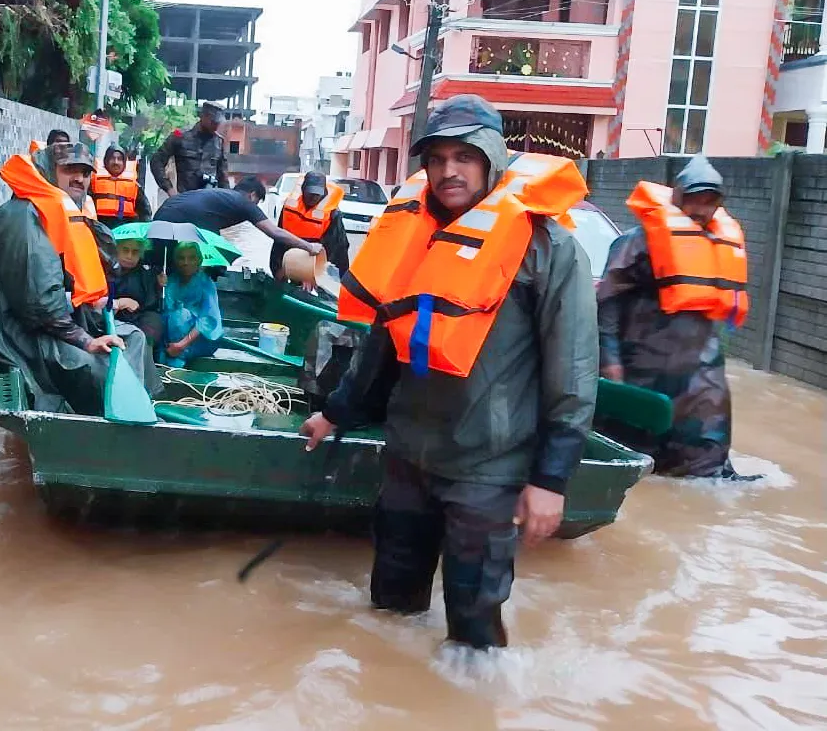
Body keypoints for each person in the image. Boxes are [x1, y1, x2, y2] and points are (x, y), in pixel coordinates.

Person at [299, 94, 598, 650]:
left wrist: (550, 481)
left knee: (474, 633)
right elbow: (383, 347)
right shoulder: (412, 232)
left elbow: (574, 373)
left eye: (464, 156)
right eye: (436, 159)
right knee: (389, 611)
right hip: (409, 455)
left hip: (488, 466)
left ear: (492, 159)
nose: (447, 171)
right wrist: (335, 413)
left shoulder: (548, 249)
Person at [0, 136, 161, 415]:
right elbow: (39, 303)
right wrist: (86, 340)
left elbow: (93, 265)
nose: (80, 179)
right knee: (95, 368)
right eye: (70, 170)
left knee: (134, 338)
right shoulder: (21, 218)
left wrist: (97, 305)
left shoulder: (64, 210)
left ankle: (139, 409)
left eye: (85, 173)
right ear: (48, 171)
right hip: (20, 330)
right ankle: (106, 426)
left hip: (56, 319)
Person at [596, 155, 753, 480]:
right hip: (643, 372)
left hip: (703, 379)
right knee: (631, 463)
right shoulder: (635, 243)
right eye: (694, 199)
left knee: (708, 471)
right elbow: (607, 302)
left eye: (709, 201)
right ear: (678, 197)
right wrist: (610, 360)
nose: (700, 209)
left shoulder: (720, 244)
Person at [154, 176, 324, 260]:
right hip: (183, 221)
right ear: (252, 195)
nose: (255, 207)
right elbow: (274, 232)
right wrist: (308, 246)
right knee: (216, 261)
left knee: (164, 264)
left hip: (161, 217)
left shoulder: (222, 196)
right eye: (257, 202)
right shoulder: (244, 202)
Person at [268, 170, 351, 279]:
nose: (313, 197)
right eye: (310, 193)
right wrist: (278, 268)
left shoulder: (332, 214)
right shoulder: (290, 206)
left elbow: (338, 250)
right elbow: (279, 239)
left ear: (324, 192)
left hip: (315, 263)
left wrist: (313, 275)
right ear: (303, 190)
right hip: (289, 259)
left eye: (317, 194)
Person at [159, 242, 223, 367]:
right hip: (174, 333)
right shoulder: (171, 280)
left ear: (199, 260)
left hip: (201, 339)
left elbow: (208, 320)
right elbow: (165, 310)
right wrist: (160, 288)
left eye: (191, 258)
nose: (186, 262)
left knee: (181, 315)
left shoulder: (206, 283)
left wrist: (181, 345)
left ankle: (177, 356)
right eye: (181, 258)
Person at [149, 102, 229, 197]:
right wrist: (169, 189)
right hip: (185, 200)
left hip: (209, 202)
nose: (216, 126)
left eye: (218, 123)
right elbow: (156, 160)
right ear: (203, 116)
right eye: (213, 122)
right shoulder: (180, 136)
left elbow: (223, 177)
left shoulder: (219, 142)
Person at [111, 238, 164, 347]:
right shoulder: (106, 270)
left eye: (135, 252)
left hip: (139, 317)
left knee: (153, 323)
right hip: (112, 317)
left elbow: (151, 304)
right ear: (117, 250)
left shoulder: (146, 274)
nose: (129, 256)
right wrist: (119, 303)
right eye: (125, 250)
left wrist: (159, 287)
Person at [91, 143, 151, 230]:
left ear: (124, 163)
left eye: (119, 159)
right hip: (100, 228)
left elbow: (145, 213)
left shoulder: (135, 186)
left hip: (125, 230)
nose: (116, 162)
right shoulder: (93, 183)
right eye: (112, 158)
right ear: (106, 161)